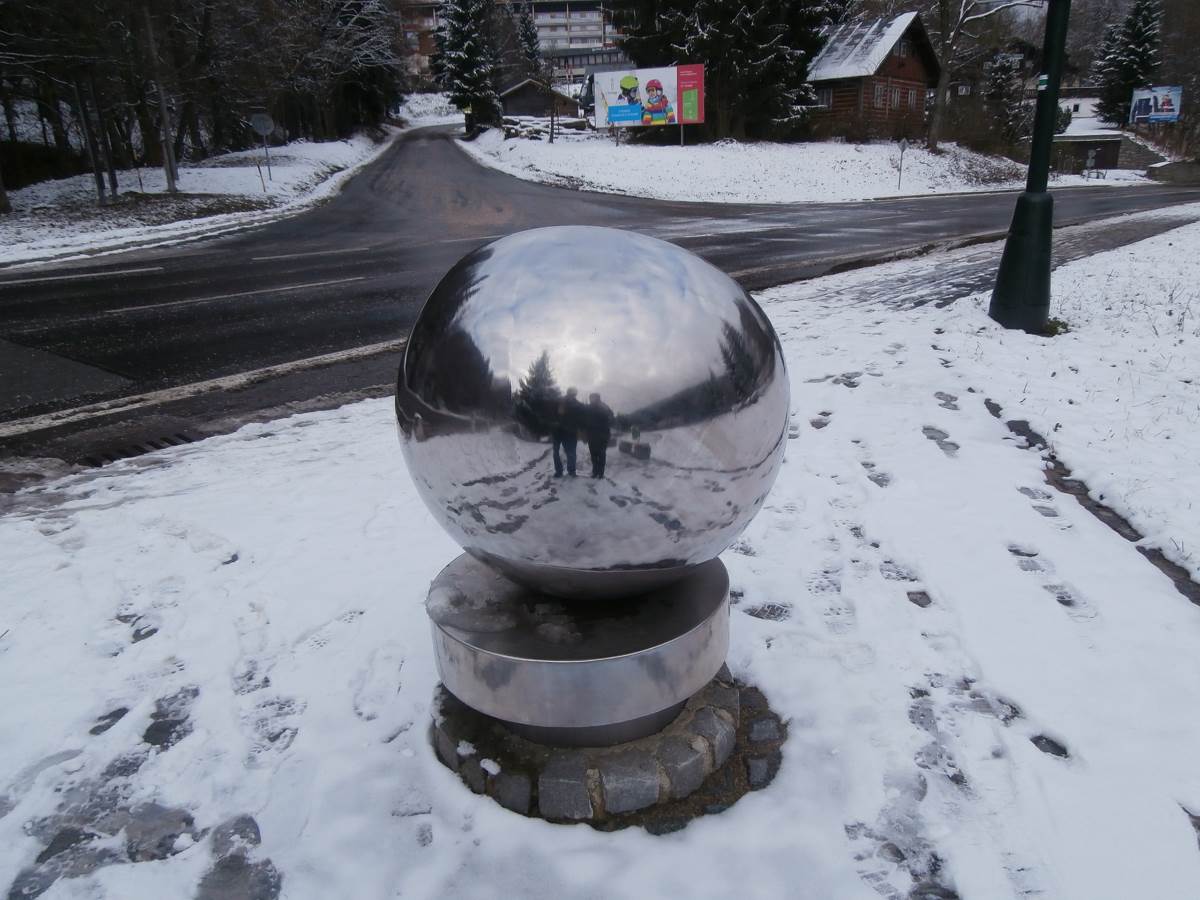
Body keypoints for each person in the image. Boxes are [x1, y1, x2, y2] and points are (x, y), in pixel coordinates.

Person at [552, 388, 583, 477]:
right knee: (557, 453)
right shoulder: (559, 402)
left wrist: (579, 428)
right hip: (558, 432)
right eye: (571, 393)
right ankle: (559, 471)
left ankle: (571, 471)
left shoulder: (578, 405)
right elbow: (551, 414)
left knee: (571, 453)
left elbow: (581, 419)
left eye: (573, 394)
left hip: (570, 433)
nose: (572, 395)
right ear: (568, 393)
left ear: (575, 394)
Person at [585, 392, 614, 479]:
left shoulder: (603, 407)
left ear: (598, 398)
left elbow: (611, 417)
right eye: (591, 398)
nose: (591, 399)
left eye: (593, 398)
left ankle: (600, 473)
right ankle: (595, 472)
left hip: (601, 435)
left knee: (601, 454)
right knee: (594, 454)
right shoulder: (590, 407)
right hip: (593, 435)